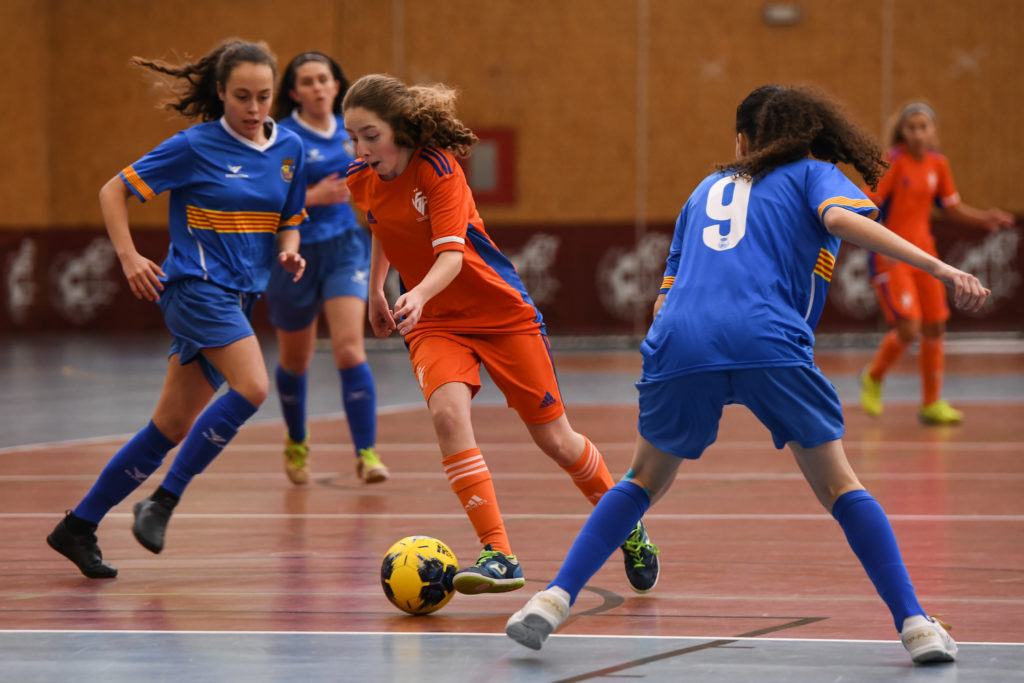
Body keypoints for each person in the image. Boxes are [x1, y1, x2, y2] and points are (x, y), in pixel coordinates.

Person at [506, 85, 989, 664]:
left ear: (741, 140)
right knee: (840, 487)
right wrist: (936, 265)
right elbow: (842, 220)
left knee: (640, 482)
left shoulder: (704, 190)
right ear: (809, 138)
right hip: (767, 339)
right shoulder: (812, 172)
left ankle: (552, 600)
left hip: (681, 341)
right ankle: (916, 624)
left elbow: (665, 298)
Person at [341, 74, 659, 595]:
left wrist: (414, 293)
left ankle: (629, 526)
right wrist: (376, 290)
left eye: (370, 135)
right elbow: (381, 225)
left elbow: (450, 255)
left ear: (399, 129)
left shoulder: (438, 170)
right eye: (352, 137)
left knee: (556, 440)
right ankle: (498, 554)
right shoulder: (362, 177)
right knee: (447, 415)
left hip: (499, 314)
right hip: (436, 324)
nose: (360, 148)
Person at [46, 39, 308, 578]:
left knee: (168, 426)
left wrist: (289, 249)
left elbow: (290, 215)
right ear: (220, 92)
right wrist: (128, 257)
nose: (255, 109)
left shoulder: (290, 150)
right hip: (196, 290)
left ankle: (78, 526)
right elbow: (112, 190)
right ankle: (162, 501)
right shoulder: (194, 146)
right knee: (254, 387)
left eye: (263, 96)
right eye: (242, 97)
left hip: (240, 296)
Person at [265, 51, 388, 486]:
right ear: (295, 92)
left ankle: (366, 453)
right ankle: (297, 439)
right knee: (294, 360)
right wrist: (312, 198)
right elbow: (264, 200)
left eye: (325, 79)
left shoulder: (351, 133)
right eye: (309, 81)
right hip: (293, 254)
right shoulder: (282, 136)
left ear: (337, 85)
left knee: (350, 349)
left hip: (344, 249)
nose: (319, 87)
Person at [859, 101, 1014, 424]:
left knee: (935, 326)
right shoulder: (892, 163)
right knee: (908, 326)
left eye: (923, 127)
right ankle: (873, 377)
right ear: (902, 131)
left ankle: (931, 403)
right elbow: (867, 204)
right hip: (892, 258)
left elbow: (951, 207)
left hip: (926, 258)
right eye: (911, 127)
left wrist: (985, 219)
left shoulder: (937, 164)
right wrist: (880, 240)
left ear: (933, 131)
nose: (917, 133)